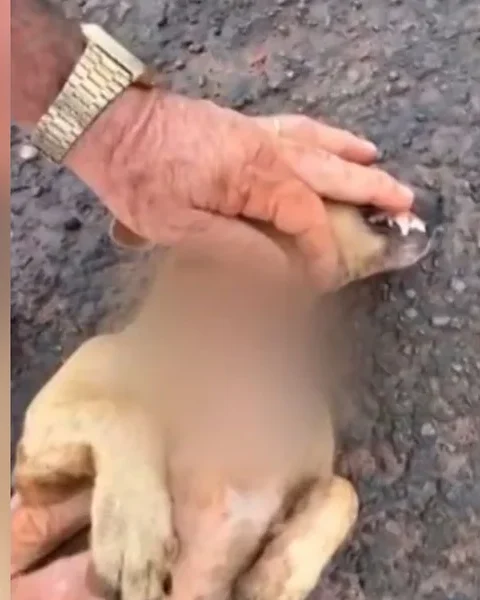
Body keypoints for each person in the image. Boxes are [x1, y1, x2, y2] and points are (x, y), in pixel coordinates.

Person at [11, 0, 415, 596]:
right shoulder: (127, 362)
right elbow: (53, 436)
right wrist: (126, 454)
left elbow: (323, 497)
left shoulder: (303, 416)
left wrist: (125, 130)